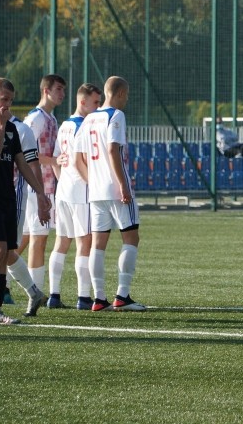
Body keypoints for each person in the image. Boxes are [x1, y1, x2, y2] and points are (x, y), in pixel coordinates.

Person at [0, 77, 50, 325]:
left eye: (11, 101)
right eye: (4, 99)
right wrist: (1, 126)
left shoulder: (14, 129)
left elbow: (22, 164)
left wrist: (40, 193)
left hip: (7, 197)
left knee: (5, 254)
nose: (7, 105)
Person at [75, 76, 145, 312]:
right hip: (115, 189)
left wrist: (93, 181)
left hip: (95, 191)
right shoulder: (116, 115)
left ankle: (99, 298)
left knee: (98, 244)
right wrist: (122, 184)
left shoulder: (89, 119)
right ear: (121, 94)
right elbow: (112, 149)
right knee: (131, 238)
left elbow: (79, 159)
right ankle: (122, 296)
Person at [48, 83, 102, 310]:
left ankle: (54, 295)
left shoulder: (65, 126)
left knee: (61, 242)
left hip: (64, 192)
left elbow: (56, 159)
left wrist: (63, 182)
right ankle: (83, 297)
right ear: (83, 102)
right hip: (81, 192)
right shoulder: (84, 126)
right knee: (84, 243)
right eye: (96, 103)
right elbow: (84, 161)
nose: (98, 107)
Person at [22, 74, 65, 298]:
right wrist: (54, 161)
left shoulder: (51, 118)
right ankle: (35, 293)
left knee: (26, 239)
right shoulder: (36, 119)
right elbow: (27, 152)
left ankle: (2, 281)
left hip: (45, 185)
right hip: (34, 187)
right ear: (46, 90)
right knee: (38, 239)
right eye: (58, 89)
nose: (62, 94)